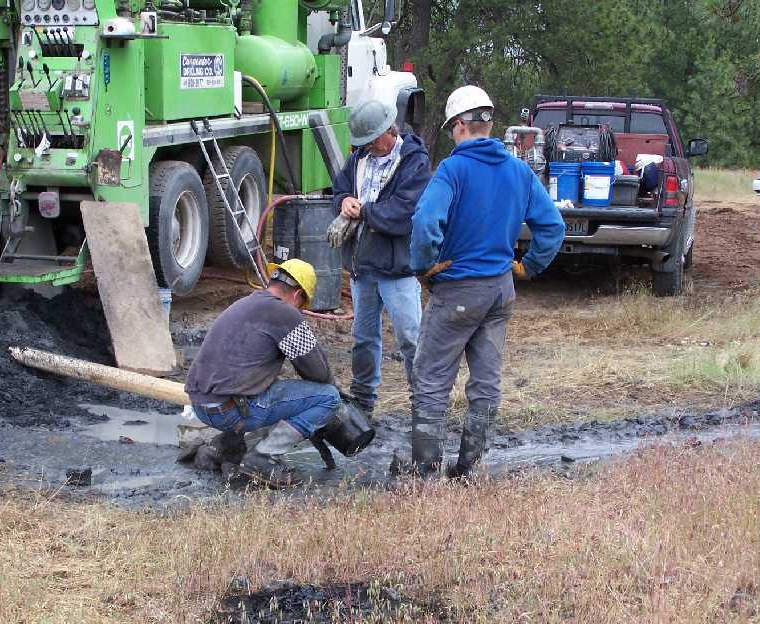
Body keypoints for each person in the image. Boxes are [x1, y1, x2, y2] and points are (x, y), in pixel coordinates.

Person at [407, 85, 565, 478]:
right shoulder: (519, 170)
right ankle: (468, 468)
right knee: (486, 383)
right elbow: (553, 227)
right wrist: (529, 267)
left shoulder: (452, 170)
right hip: (500, 291)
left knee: (430, 379)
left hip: (458, 289)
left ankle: (425, 473)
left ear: (459, 125)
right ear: (489, 123)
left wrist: (423, 267)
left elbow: (426, 224)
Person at [184, 258, 340, 488]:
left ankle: (222, 448)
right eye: (302, 305)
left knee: (264, 385)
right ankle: (263, 458)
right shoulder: (286, 313)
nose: (300, 311)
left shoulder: (245, 304)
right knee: (328, 397)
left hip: (202, 405)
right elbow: (319, 374)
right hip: (229, 412)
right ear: (297, 295)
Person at [327, 99, 432, 418]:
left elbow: (405, 213)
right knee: (363, 339)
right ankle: (362, 401)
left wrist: (365, 212)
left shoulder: (414, 163)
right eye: (364, 143)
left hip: (398, 268)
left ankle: (425, 401)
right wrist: (343, 201)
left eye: (371, 141)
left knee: (411, 338)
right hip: (363, 267)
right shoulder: (358, 158)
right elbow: (338, 189)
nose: (368, 147)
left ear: (388, 131)